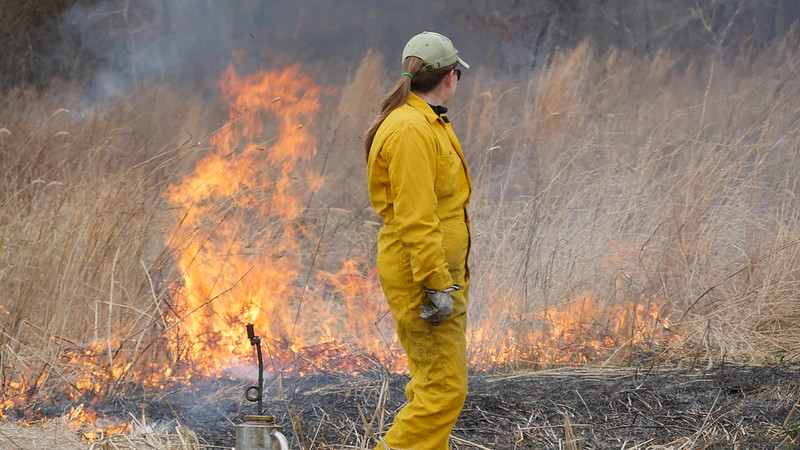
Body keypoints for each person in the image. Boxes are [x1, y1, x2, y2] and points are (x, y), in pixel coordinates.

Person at [364, 31, 472, 450]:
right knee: (444, 389)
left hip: (438, 274)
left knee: (433, 385)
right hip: (423, 277)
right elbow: (415, 218)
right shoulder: (410, 130)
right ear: (450, 77)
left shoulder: (428, 120)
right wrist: (434, 283)